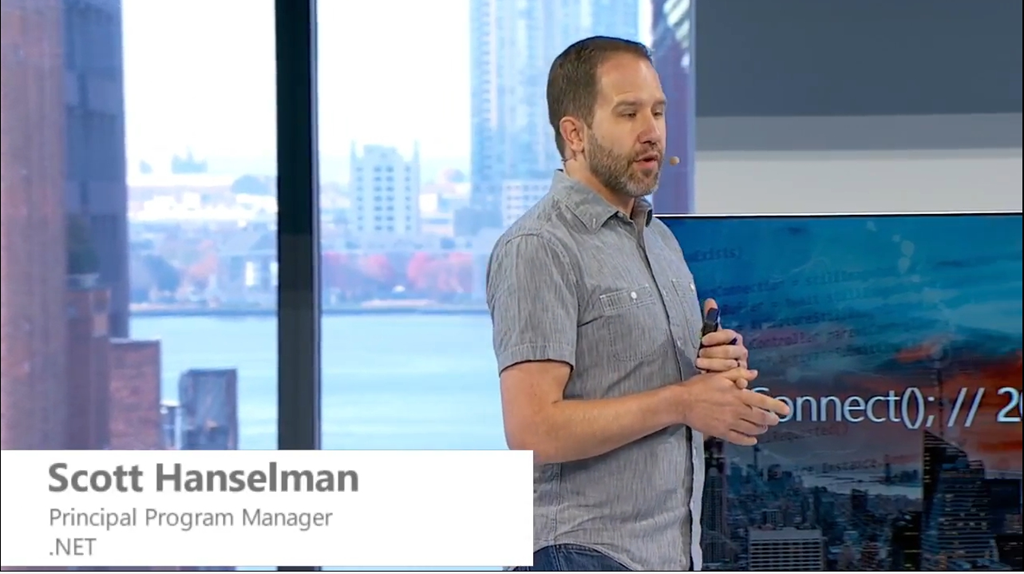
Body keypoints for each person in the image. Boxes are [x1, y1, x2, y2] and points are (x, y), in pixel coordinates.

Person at [485, 36, 792, 572]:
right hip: (577, 553)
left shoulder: (660, 241)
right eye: (629, 113)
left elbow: (663, 395)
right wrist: (682, 401)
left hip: (664, 557)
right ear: (575, 134)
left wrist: (714, 375)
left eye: (658, 111)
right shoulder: (539, 246)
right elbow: (533, 429)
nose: (652, 131)